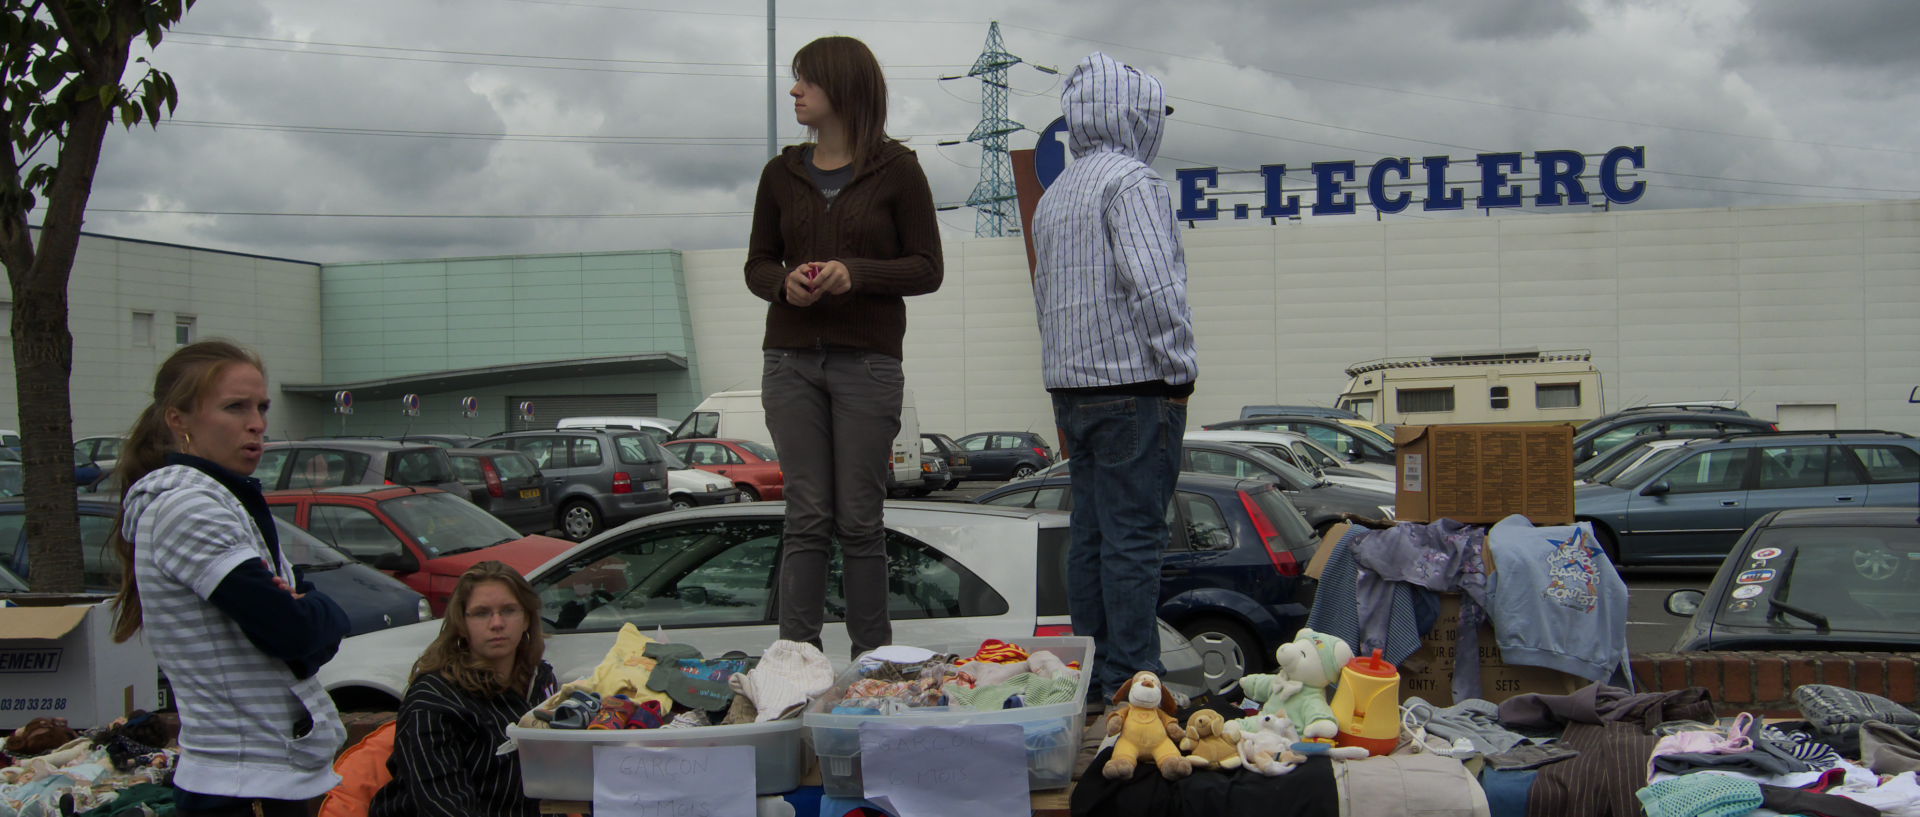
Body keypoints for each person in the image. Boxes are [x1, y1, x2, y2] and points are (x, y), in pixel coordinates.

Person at [744, 35, 943, 658]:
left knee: (859, 520)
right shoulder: (780, 173)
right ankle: (793, 667)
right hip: (791, 362)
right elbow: (757, 265)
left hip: (869, 364)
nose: (795, 91)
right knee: (805, 518)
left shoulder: (899, 170)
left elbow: (927, 268)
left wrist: (858, 273)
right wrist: (784, 285)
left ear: (844, 89)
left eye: (807, 81)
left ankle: (873, 666)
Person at [110, 340, 352, 816]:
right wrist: (325, 611)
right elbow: (292, 632)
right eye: (235, 407)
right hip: (238, 776)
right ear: (178, 419)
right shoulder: (189, 507)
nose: (257, 423)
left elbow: (299, 641)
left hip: (267, 767)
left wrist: (304, 615)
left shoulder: (222, 500)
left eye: (261, 407)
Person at [1029, 53, 1199, 701]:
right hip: (1136, 387)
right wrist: (1179, 369)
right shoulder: (1133, 183)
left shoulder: (1058, 195)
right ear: (1133, 114)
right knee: (1135, 540)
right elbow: (1155, 286)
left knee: (1092, 537)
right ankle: (1133, 685)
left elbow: (1045, 296)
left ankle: (1094, 680)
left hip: (1073, 388)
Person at [369, 561, 557, 817]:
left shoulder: (540, 679)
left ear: (526, 618)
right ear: (461, 624)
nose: (497, 623)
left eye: (509, 610)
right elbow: (443, 805)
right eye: (481, 613)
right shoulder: (432, 701)